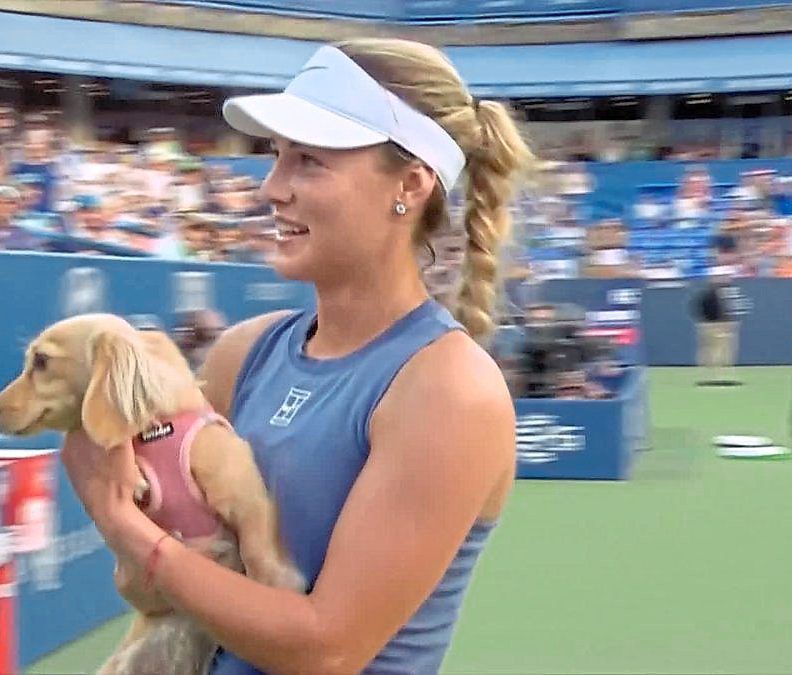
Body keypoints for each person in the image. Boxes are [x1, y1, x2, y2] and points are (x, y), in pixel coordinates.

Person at [59, 38, 529, 673]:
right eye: (275, 157)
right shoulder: (241, 353)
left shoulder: (450, 389)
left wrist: (124, 525)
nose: (272, 188)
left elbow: (324, 648)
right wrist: (110, 446)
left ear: (410, 186)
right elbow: (161, 584)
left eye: (309, 162)